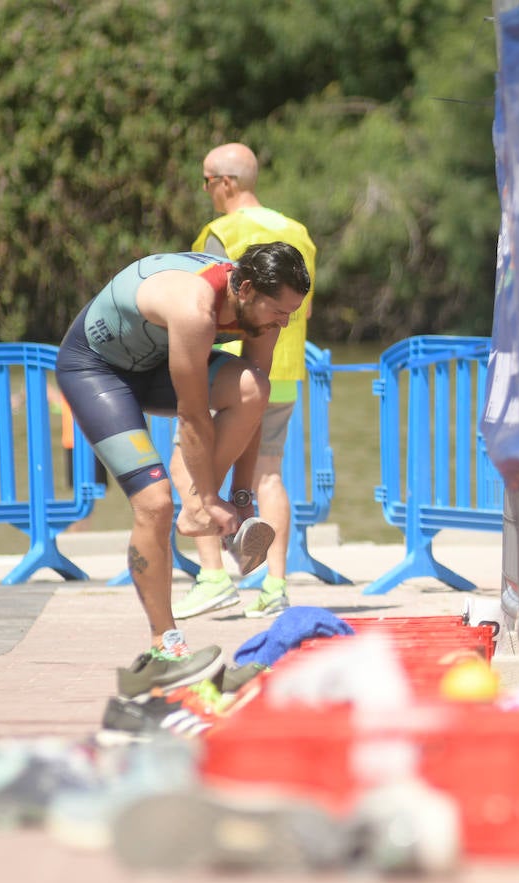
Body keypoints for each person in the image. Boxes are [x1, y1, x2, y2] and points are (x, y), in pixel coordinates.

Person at [55, 241, 311, 684]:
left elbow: (253, 405)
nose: (284, 323)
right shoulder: (194, 307)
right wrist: (204, 498)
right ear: (245, 289)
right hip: (96, 372)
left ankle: (204, 509)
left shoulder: (265, 314)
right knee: (155, 503)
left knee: (252, 388)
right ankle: (165, 645)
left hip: (155, 364)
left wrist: (243, 497)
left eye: (291, 313)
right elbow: (193, 416)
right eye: (278, 312)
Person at [172, 143, 318, 621]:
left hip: (233, 376)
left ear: (226, 183)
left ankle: (213, 576)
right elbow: (302, 308)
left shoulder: (220, 232)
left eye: (206, 181)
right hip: (285, 373)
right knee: (270, 474)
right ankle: (274, 585)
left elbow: (203, 306)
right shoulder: (295, 231)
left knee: (190, 463)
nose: (207, 191)